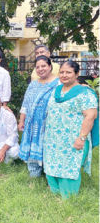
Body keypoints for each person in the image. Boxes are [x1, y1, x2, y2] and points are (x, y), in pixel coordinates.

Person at [43, 61, 98, 198]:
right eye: (62, 72)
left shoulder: (84, 93)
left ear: (77, 74)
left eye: (68, 72)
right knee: (52, 162)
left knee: (69, 165)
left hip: (74, 138)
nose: (64, 75)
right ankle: (54, 192)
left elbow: (91, 116)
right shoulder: (56, 91)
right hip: (53, 138)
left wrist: (82, 137)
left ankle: (69, 196)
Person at [18, 56, 59, 177]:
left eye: (43, 66)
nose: (40, 69)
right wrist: (21, 120)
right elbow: (25, 104)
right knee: (33, 147)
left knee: (48, 148)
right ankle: (34, 173)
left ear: (50, 67)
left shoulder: (58, 84)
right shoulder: (33, 85)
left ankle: (50, 174)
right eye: (37, 67)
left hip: (49, 124)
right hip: (32, 125)